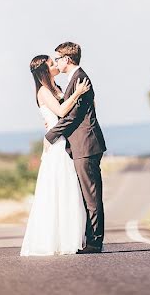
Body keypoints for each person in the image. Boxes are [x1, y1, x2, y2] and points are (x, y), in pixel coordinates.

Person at [19, 54, 91, 256]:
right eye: (51, 64)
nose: (55, 65)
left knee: (67, 190)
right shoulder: (43, 91)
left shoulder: (55, 88)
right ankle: (55, 239)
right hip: (57, 144)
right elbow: (60, 109)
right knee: (58, 189)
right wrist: (77, 94)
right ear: (44, 70)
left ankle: (68, 237)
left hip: (62, 141)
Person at [44, 42, 107, 254]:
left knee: (91, 195)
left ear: (67, 59)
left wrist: (51, 135)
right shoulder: (74, 79)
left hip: (86, 144)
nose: (57, 62)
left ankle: (95, 242)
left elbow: (73, 116)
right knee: (86, 194)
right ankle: (89, 239)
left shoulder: (80, 78)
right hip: (81, 144)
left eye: (58, 59)